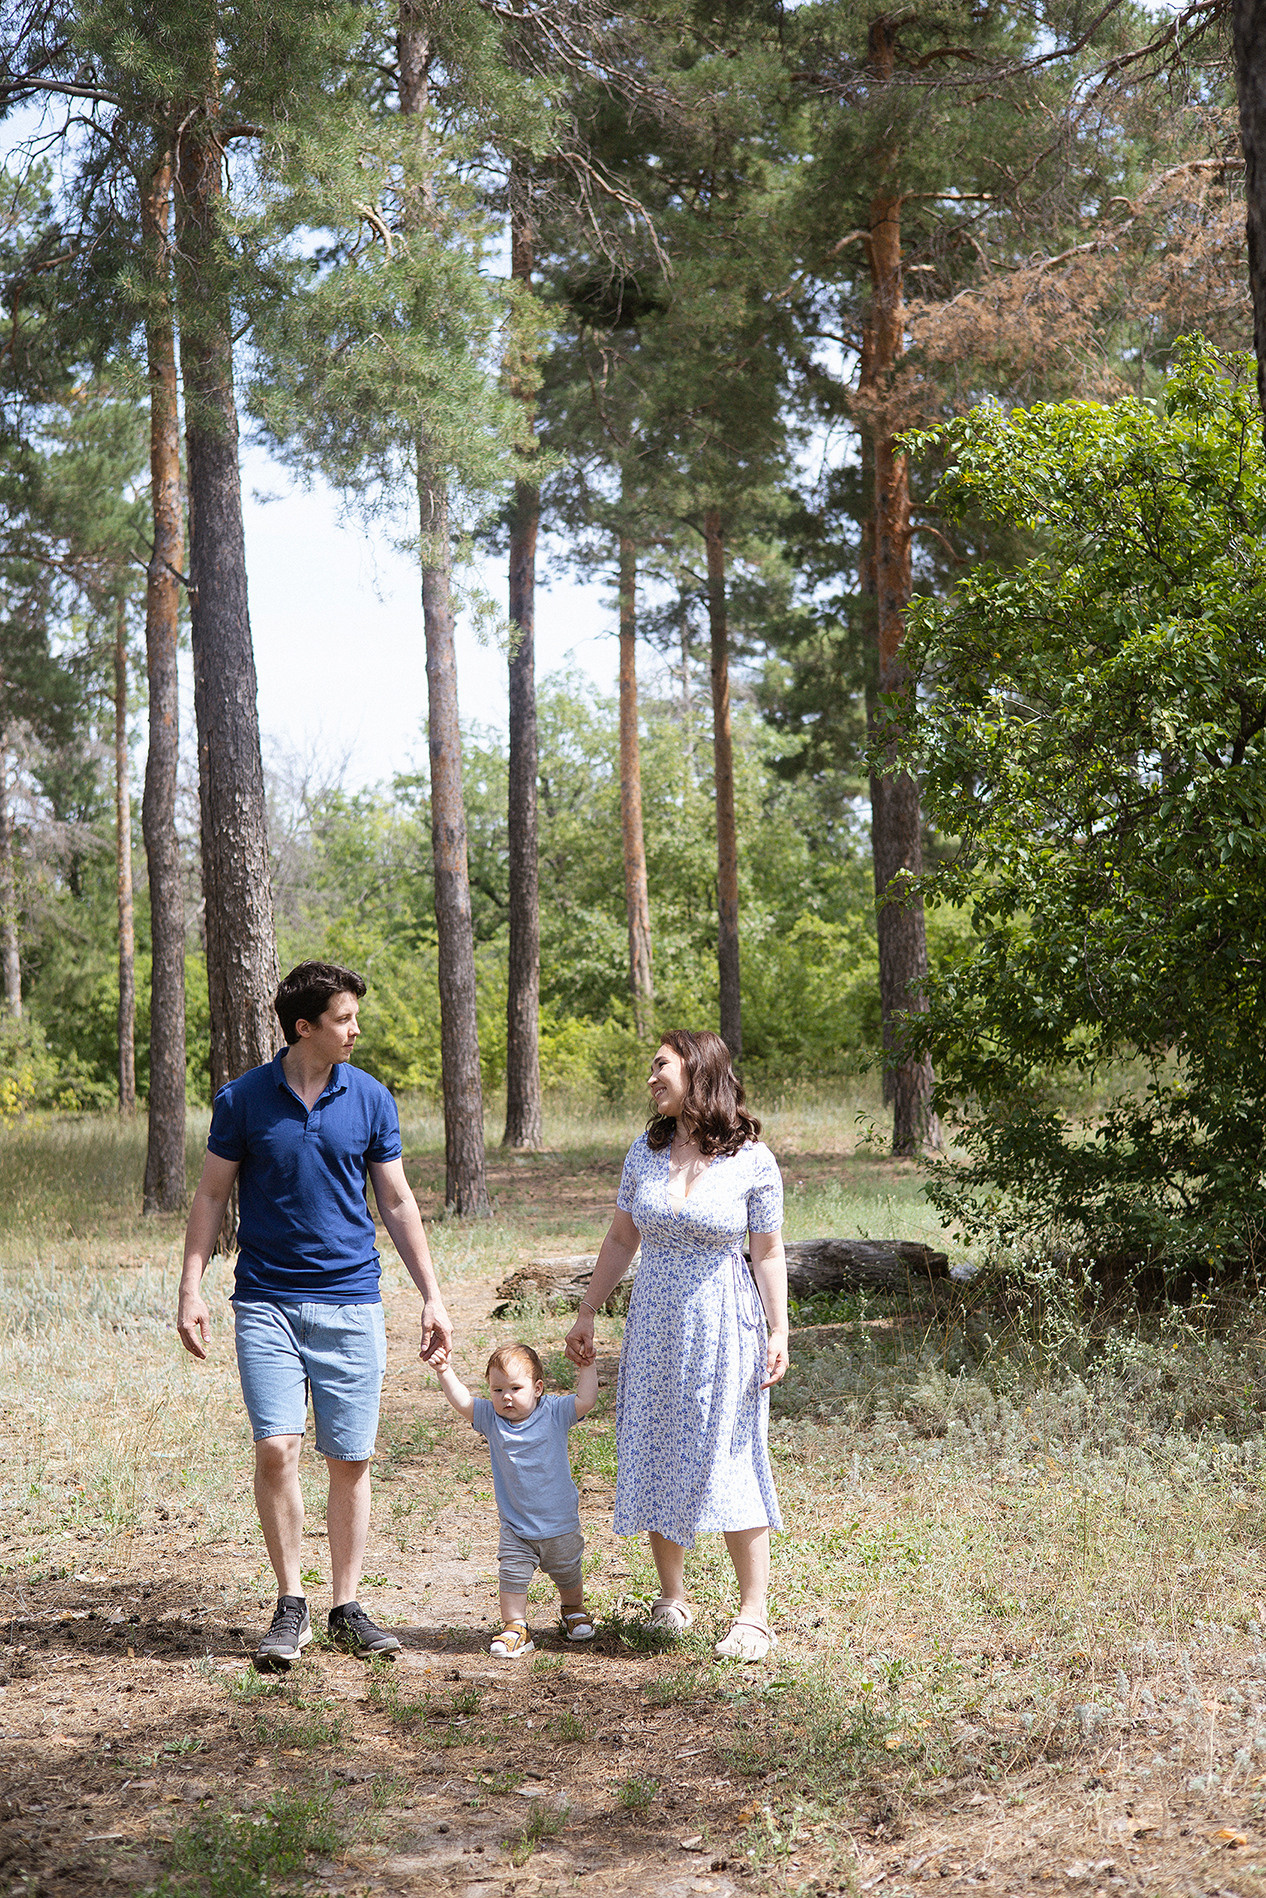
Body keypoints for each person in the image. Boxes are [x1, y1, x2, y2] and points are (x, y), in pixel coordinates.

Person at [175, 960, 452, 1671]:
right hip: (265, 1300)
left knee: (350, 1458)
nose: (355, 1030)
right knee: (278, 1448)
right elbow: (210, 1198)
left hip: (352, 1301)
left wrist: (432, 1294)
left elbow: (395, 1202)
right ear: (305, 1027)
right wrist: (190, 1287)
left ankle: (346, 1605)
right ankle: (290, 1603)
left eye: (355, 1017)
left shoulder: (371, 1099)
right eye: (344, 1019)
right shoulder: (241, 1101)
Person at [564, 1029, 788, 1663]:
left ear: (698, 1070)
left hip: (723, 1318)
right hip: (654, 1320)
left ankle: (753, 1615)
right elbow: (619, 1240)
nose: (651, 1078)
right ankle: (672, 1598)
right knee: (659, 1440)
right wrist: (587, 1311)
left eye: (660, 1067)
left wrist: (780, 1330)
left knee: (731, 1447)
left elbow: (767, 1252)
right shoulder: (645, 1150)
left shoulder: (752, 1158)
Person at [432, 1342, 598, 1657]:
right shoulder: (491, 1420)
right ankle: (515, 1626)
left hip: (559, 1523)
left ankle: (573, 1608)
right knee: (512, 1572)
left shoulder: (554, 1412)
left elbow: (586, 1400)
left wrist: (587, 1366)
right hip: (516, 1527)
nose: (506, 1396)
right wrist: (444, 1371)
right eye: (497, 1390)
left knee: (567, 1570)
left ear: (537, 1388)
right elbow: (464, 1402)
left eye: (515, 1388)